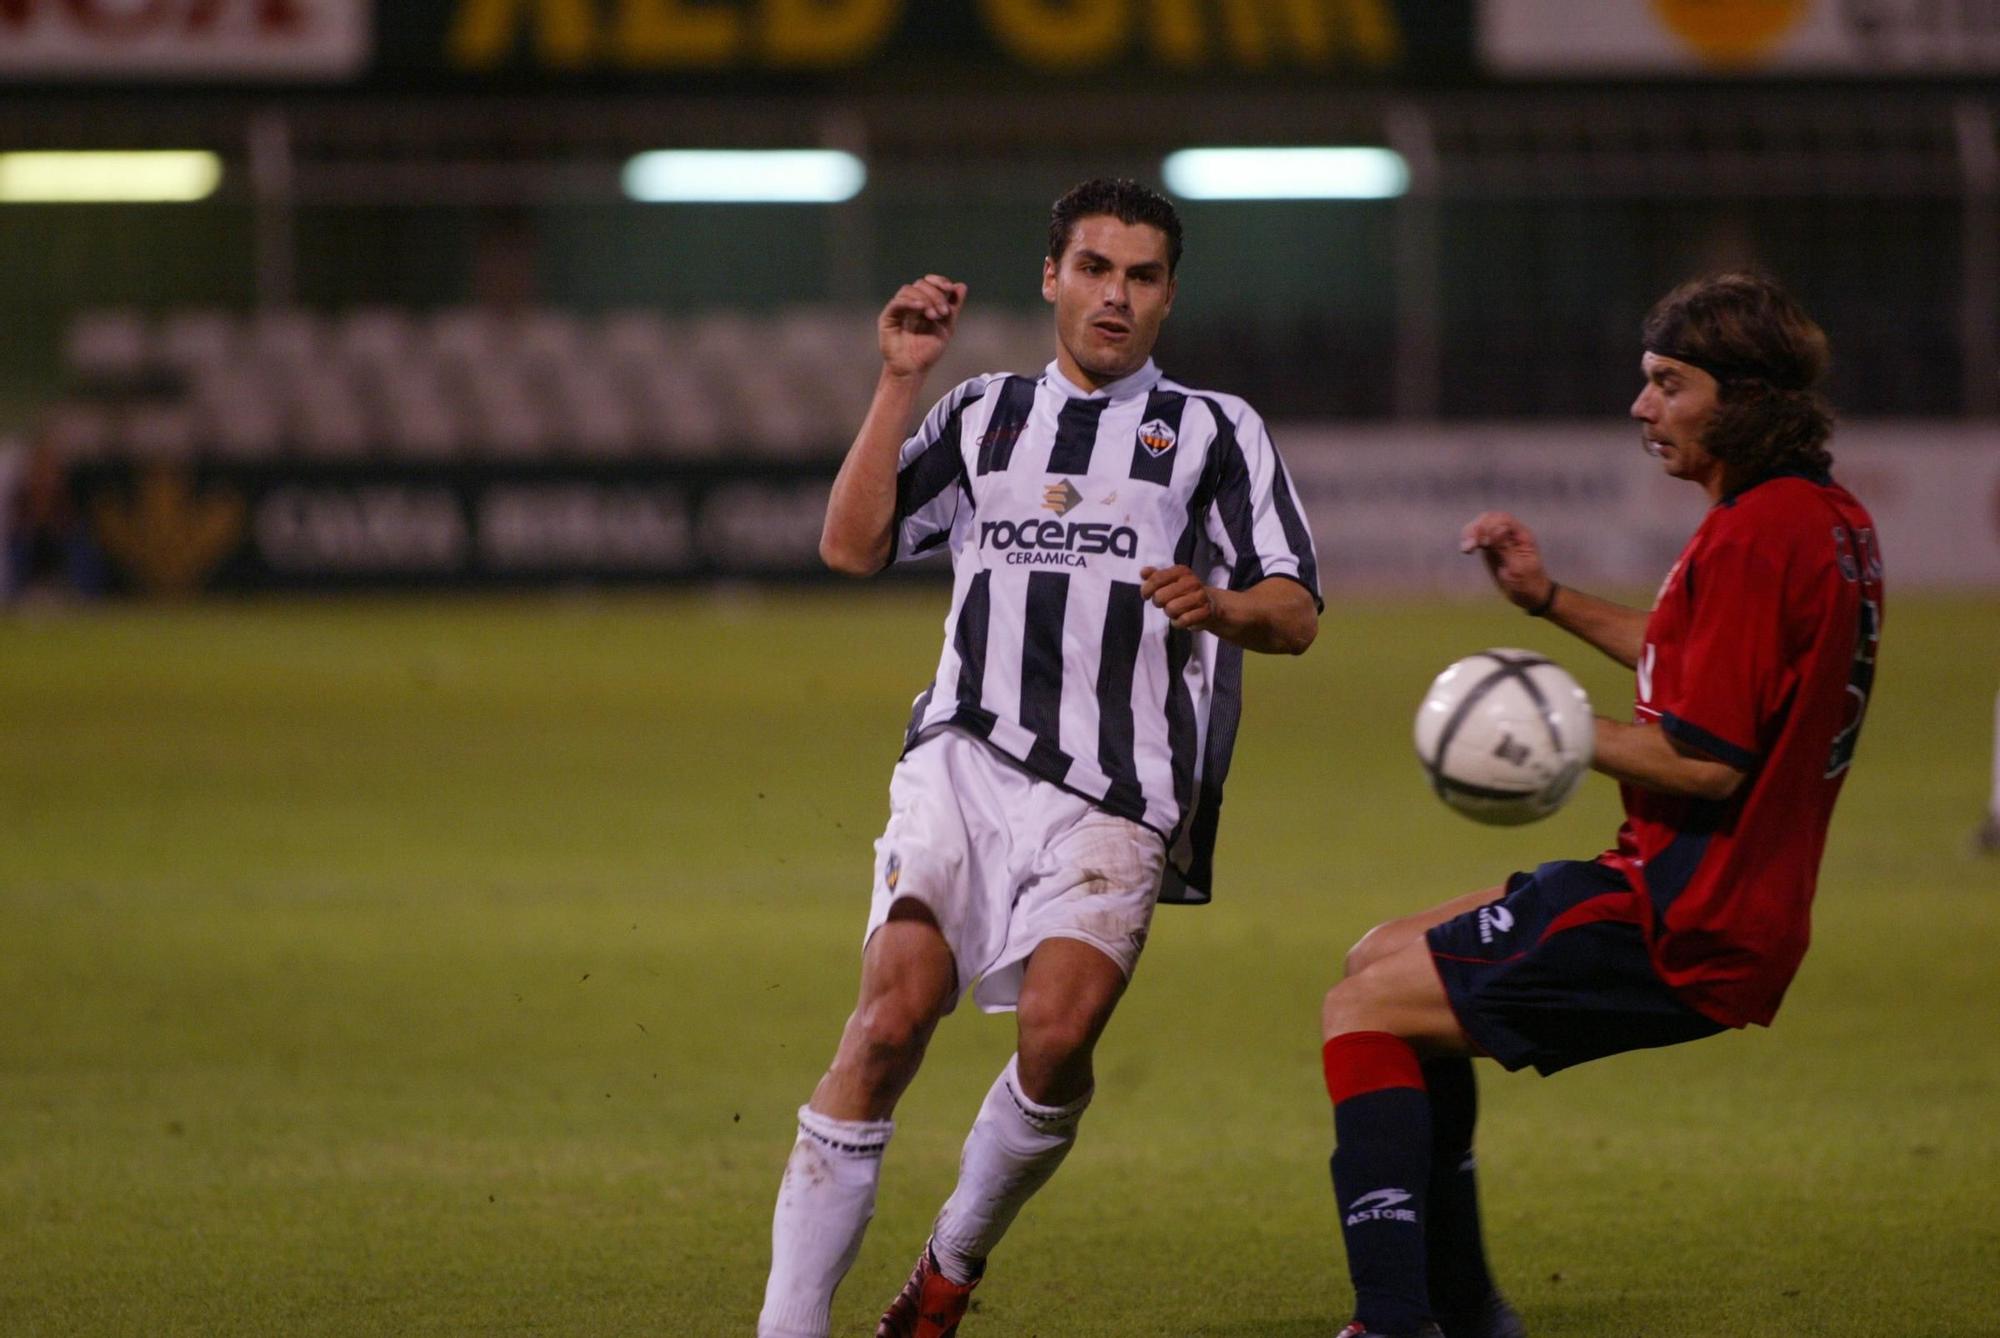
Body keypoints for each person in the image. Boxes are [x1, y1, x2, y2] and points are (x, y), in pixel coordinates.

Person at [756, 177, 1321, 1338]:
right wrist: (900, 377)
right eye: (1096, 269)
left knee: (1056, 1036)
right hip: (962, 762)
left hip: (1118, 788)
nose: (1116, 296)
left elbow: (1296, 609)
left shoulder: (1216, 430)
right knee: (886, 1023)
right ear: (1053, 278)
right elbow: (850, 544)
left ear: (1167, 295)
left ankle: (949, 1265)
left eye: (1143, 276)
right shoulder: (979, 414)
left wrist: (1218, 607)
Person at [1316, 272, 1883, 1338]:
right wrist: (1546, 603)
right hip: (1706, 893)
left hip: (1686, 914)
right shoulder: (1822, 519)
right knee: (1374, 961)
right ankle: (1465, 1310)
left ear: (1743, 397)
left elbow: (1707, 763)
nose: (1641, 407)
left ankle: (1396, 1322)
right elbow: (1704, 666)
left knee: (1361, 1012)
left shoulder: (1755, 536)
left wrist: (1546, 732)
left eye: (1668, 384)